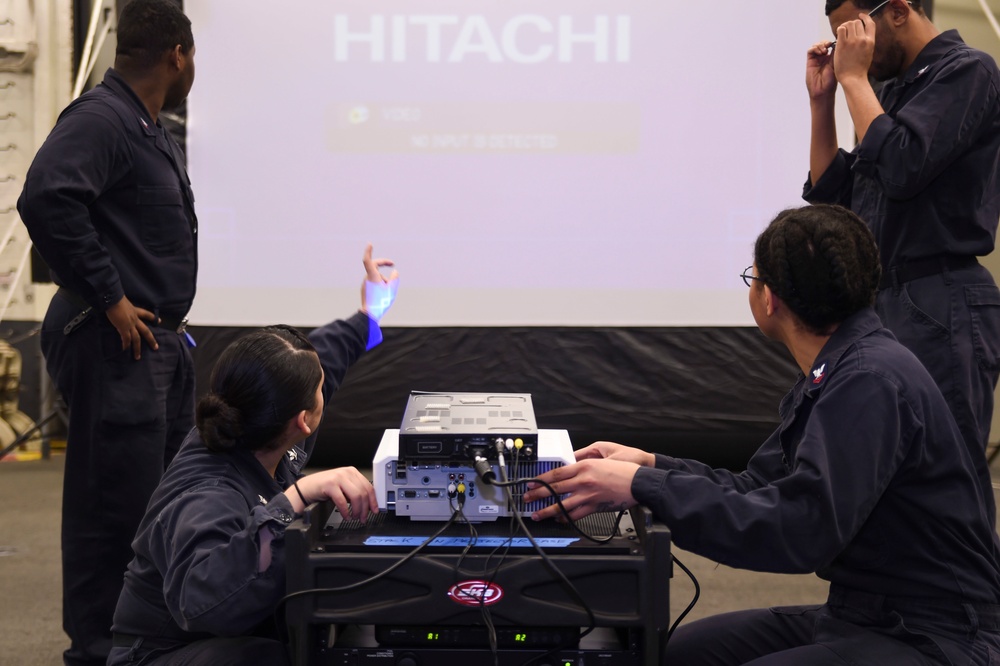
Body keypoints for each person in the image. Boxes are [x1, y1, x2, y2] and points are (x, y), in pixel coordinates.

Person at [523, 205, 1000, 665]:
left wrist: (640, 488)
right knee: (678, 653)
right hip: (864, 613)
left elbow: (799, 529)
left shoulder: (868, 381)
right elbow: (759, 489)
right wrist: (649, 465)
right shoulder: (843, 367)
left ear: (768, 298)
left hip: (934, 633)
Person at [106, 245, 399, 666]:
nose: (325, 390)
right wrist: (295, 498)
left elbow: (324, 361)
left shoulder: (257, 421)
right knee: (266, 658)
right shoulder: (206, 494)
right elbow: (207, 604)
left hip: (212, 639)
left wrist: (369, 315)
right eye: (318, 392)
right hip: (160, 654)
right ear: (303, 420)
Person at [16, 1, 197, 664]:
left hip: (155, 346)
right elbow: (45, 196)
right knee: (109, 509)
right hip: (111, 340)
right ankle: (95, 651)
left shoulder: (143, 124)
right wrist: (112, 296)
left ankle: (140, 638)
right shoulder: (103, 118)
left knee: (152, 501)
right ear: (178, 55)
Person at [802, 0, 1000, 524]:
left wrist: (853, 81)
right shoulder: (888, 92)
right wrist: (823, 102)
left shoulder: (968, 70)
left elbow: (905, 167)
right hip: (885, 304)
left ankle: (970, 605)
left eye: (854, 29)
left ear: (897, 11)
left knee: (946, 474)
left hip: (939, 300)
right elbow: (833, 197)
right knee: (887, 476)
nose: (848, 45)